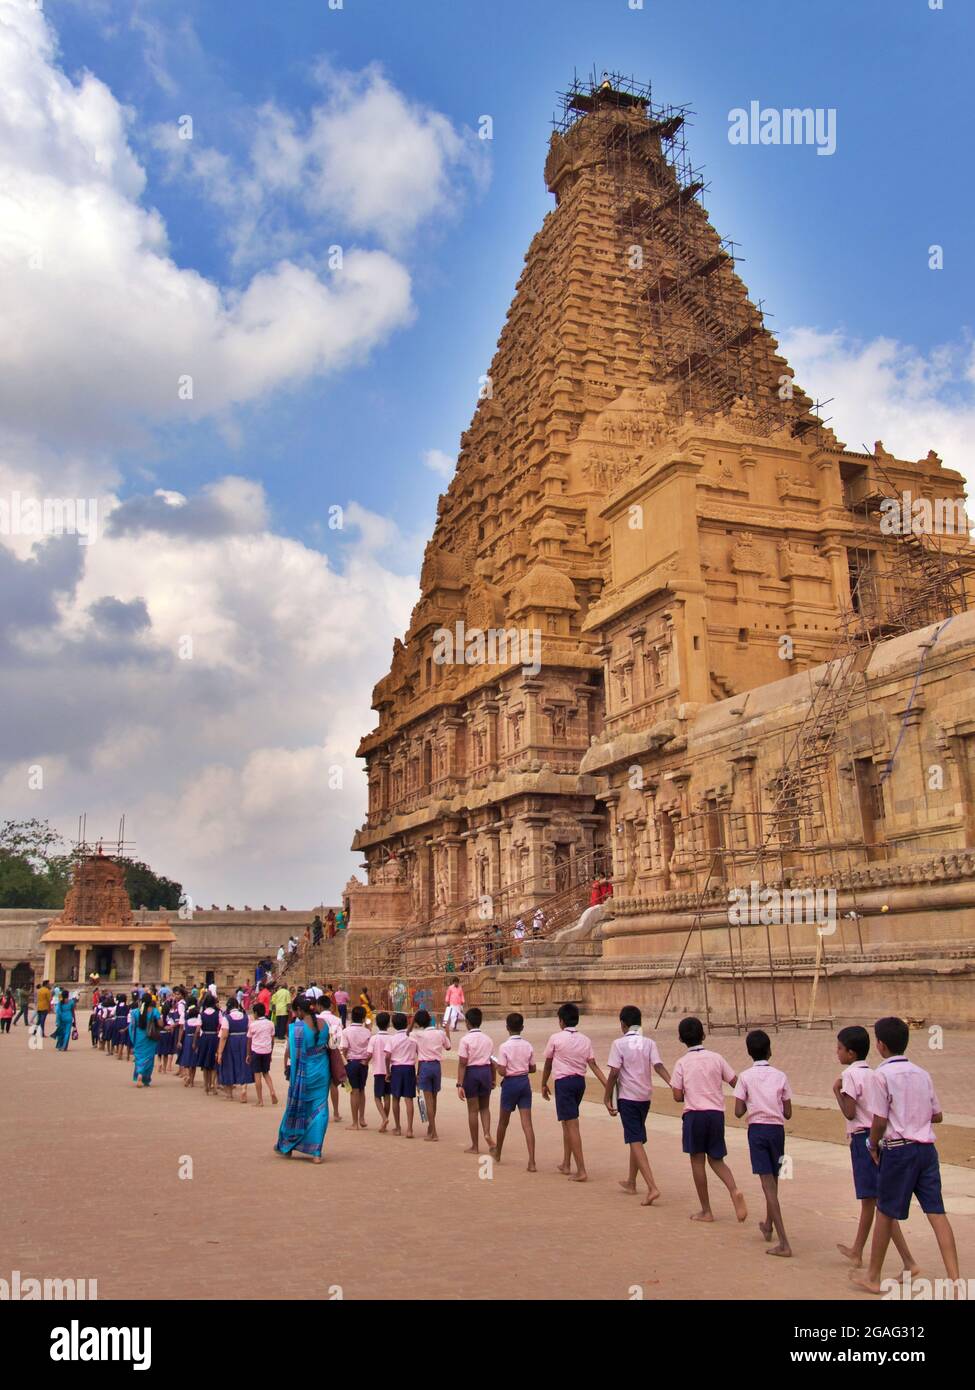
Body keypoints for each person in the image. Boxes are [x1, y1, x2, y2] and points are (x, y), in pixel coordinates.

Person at [850, 1016, 960, 1295]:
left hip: (899, 1151)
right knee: (937, 1212)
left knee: (885, 1211)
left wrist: (872, 1145)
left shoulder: (881, 1075)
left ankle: (873, 1276)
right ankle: (955, 1279)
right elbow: (937, 1114)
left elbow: (879, 1118)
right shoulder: (922, 1073)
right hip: (926, 1149)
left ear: (881, 1045)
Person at [832, 1024, 917, 1274]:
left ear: (850, 1053)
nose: (837, 1053)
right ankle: (858, 1250)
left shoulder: (849, 1075)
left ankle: (908, 1260)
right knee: (871, 1200)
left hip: (863, 1140)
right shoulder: (873, 1073)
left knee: (879, 1203)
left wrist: (836, 1091)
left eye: (839, 1048)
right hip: (878, 1138)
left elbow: (849, 1112)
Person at [670, 1016, 747, 1223]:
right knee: (717, 1159)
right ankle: (734, 1189)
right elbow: (735, 1082)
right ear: (703, 1035)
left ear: (680, 1039)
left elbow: (677, 1095)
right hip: (715, 1114)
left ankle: (706, 1210)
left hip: (694, 1114)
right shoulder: (716, 1058)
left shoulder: (682, 1063)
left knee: (697, 1161)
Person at [733, 1030, 793, 1256]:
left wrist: (753, 1102)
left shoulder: (745, 1077)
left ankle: (784, 1242)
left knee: (767, 1185)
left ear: (749, 1052)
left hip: (757, 1131)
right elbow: (787, 1112)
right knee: (774, 1182)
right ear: (770, 1050)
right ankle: (768, 1224)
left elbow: (738, 1111)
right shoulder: (781, 1076)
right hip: (777, 1131)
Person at [603, 1005, 670, 1205]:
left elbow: (614, 1073)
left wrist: (606, 1097)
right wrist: (673, 1084)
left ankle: (652, 1186)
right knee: (637, 1136)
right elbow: (659, 1066)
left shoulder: (618, 1044)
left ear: (622, 1024)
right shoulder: (648, 1042)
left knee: (634, 1139)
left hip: (628, 1097)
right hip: (645, 1096)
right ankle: (632, 1181)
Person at [540, 1002, 608, 1182]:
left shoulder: (556, 1038)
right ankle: (566, 1163)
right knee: (567, 1123)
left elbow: (548, 1062)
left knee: (571, 1125)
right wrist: (607, 1086)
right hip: (579, 1082)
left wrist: (543, 1083)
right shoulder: (585, 1039)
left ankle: (581, 1170)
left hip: (564, 1083)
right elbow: (593, 1064)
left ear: (561, 1021)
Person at [275, 995, 331, 1163]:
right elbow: (330, 1045)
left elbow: (292, 1053)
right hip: (322, 1069)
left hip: (304, 1072)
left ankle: (288, 1145)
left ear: (299, 1010)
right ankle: (316, 1152)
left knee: (297, 1106)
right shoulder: (324, 1025)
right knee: (321, 1108)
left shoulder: (296, 1028)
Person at [491, 1013, 536, 1170]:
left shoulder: (504, 1047)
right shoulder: (528, 1045)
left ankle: (498, 1152)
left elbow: (502, 1071)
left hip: (510, 1083)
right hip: (524, 1082)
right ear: (522, 1027)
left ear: (507, 1027)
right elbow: (533, 1068)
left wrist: (496, 1066)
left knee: (503, 1122)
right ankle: (531, 1161)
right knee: (527, 1123)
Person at [456, 1007, 496, 1154]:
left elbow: (462, 1063)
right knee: (485, 1108)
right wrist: (493, 1078)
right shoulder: (488, 1039)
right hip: (485, 1071)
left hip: (472, 1073)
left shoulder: (465, 1040)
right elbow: (492, 1061)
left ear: (467, 1022)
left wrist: (459, 1084)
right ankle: (487, 1133)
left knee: (473, 1110)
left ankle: (475, 1145)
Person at [412, 1009, 451, 1142]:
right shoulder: (440, 1033)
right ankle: (431, 1127)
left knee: (428, 1100)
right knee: (434, 1099)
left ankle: (433, 1132)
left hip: (425, 1066)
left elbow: (406, 1035)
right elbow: (448, 1047)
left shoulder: (418, 1035)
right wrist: (447, 1031)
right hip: (436, 1066)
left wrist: (411, 1023)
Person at [386, 1012, 418, 1138]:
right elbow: (418, 1053)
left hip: (397, 1068)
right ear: (406, 1023)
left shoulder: (392, 1039)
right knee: (409, 1099)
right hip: (409, 1068)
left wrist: (387, 1071)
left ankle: (398, 1127)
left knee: (396, 1098)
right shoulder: (412, 1039)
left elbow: (387, 1055)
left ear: (393, 1025)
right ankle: (409, 1129)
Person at [341, 1005, 373, 1130]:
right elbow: (371, 1050)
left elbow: (344, 1048)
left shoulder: (346, 1031)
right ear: (363, 1017)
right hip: (363, 1063)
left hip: (352, 1062)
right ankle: (362, 1117)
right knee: (362, 1090)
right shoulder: (367, 1031)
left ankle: (355, 1123)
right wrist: (366, 1060)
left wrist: (344, 1063)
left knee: (354, 1091)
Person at [217, 995, 253, 1102]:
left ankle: (229, 1095)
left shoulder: (226, 1018)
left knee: (228, 1065)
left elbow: (224, 1036)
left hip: (231, 1042)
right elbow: (249, 1031)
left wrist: (219, 1052)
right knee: (243, 1064)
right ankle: (243, 1088)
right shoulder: (247, 1017)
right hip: (244, 1041)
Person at [246, 1002, 277, 1106]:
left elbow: (249, 1041)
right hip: (267, 1050)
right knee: (266, 1073)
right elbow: (272, 1040)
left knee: (257, 1074)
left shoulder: (253, 1025)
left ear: (255, 1013)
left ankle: (260, 1100)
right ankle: (272, 1091)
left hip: (256, 1051)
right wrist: (271, 1053)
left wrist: (248, 1054)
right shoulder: (270, 1023)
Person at [130, 991, 161, 1086]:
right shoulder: (154, 1011)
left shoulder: (135, 1012)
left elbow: (132, 1027)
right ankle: (145, 1078)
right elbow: (160, 1024)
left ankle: (139, 1074)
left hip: (139, 1037)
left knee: (139, 1057)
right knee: (149, 1058)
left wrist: (133, 1039)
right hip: (150, 1037)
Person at [369, 1012, 393, 1131]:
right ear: (389, 1024)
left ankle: (384, 1118)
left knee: (377, 1096)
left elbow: (369, 1053)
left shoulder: (374, 1038)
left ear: (376, 1023)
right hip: (389, 1070)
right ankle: (385, 1120)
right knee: (387, 1096)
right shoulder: (391, 1038)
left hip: (378, 1070)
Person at [195, 993, 222, 1095]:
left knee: (205, 1064)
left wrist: (197, 1042)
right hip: (214, 1038)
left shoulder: (201, 1015)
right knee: (213, 1063)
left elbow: (197, 1030)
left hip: (204, 1038)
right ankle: (213, 1085)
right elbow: (222, 1025)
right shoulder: (218, 1013)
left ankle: (206, 1085)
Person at [178, 1003, 200, 1085]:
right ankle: (192, 1081)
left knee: (187, 1060)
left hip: (187, 1039)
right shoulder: (198, 1022)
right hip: (196, 1040)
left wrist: (179, 1041)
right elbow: (199, 1032)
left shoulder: (186, 1022)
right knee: (193, 1062)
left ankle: (187, 1075)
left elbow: (182, 1030)